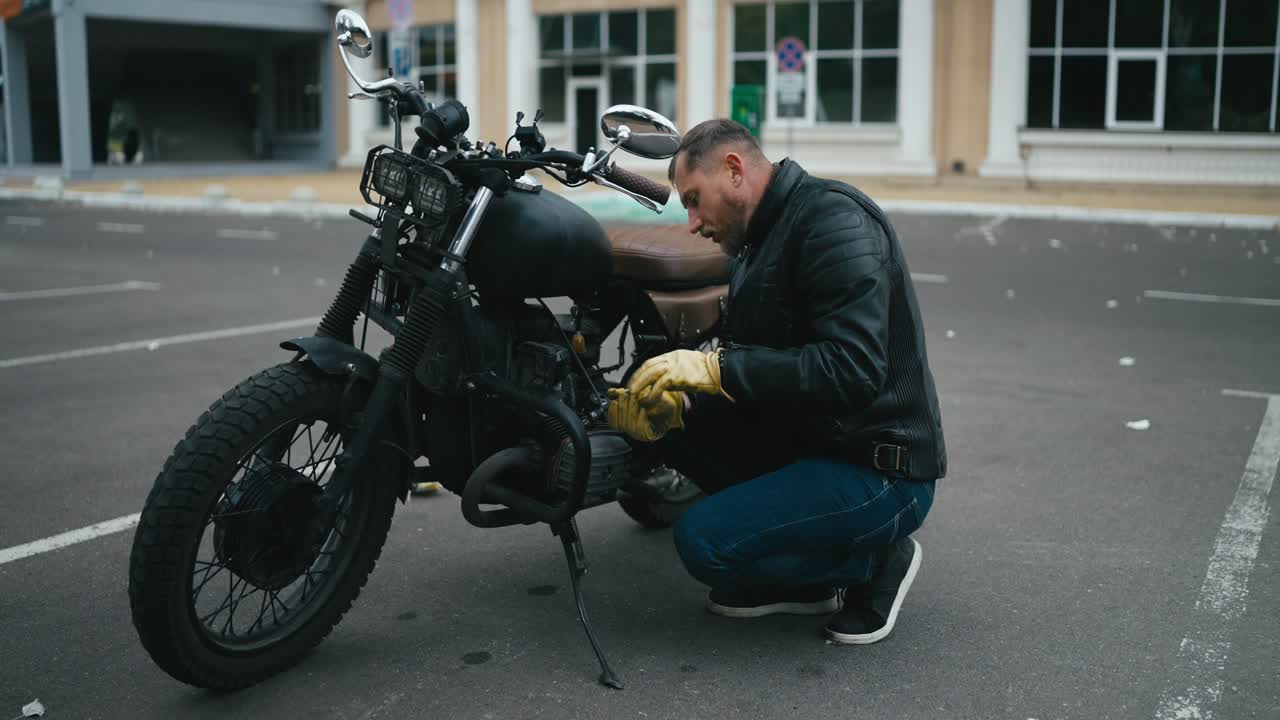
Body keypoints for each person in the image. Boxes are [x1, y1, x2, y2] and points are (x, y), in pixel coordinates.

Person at [608, 119, 946, 644]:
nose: (692, 223)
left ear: (734, 170)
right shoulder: (758, 239)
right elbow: (761, 367)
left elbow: (851, 370)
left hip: (880, 467)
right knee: (675, 426)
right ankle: (809, 570)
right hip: (818, 440)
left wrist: (716, 369)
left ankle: (877, 561)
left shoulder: (834, 222)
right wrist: (677, 408)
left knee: (704, 545)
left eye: (695, 201)